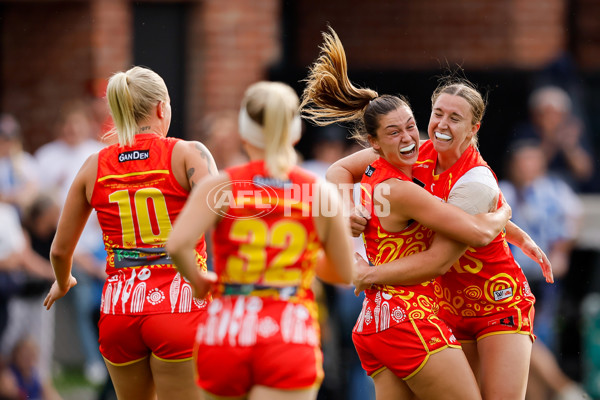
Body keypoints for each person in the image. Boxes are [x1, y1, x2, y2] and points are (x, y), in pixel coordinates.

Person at [300, 27, 526, 400]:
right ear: (373, 144)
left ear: (474, 128)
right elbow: (473, 235)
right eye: (394, 132)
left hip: (375, 321)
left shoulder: (388, 170)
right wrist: (503, 212)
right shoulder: (402, 189)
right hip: (410, 317)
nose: (410, 138)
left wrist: (346, 211)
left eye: (410, 126)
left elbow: (336, 173)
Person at [328, 71, 552, 398]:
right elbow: (339, 170)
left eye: (455, 118)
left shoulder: (472, 179)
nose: (442, 124)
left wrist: (504, 217)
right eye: (438, 113)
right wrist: (346, 206)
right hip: (440, 305)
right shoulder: (412, 152)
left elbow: (445, 254)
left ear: (474, 128)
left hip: (495, 301)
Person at [166, 80, 355, 400]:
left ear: (244, 131)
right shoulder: (318, 190)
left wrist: (198, 281)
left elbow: (176, 245)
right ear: (295, 132)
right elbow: (345, 271)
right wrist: (303, 261)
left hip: (227, 329)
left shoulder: (220, 185)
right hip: (289, 330)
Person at [43, 66, 217, 400]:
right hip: (179, 303)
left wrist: (63, 281)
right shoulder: (187, 153)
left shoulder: (94, 164)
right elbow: (223, 216)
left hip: (119, 310)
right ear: (161, 108)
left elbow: (59, 252)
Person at [499, 140, 589, 400]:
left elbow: (575, 215)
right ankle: (566, 388)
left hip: (543, 278)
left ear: (541, 164)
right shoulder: (502, 191)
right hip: (509, 278)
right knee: (520, 335)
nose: (526, 166)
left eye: (532, 160)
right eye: (521, 161)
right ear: (512, 165)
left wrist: (562, 251)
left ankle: (558, 391)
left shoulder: (554, 191)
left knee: (537, 337)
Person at [511, 85, 594, 191]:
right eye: (546, 114)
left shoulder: (573, 132)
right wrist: (550, 142)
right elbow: (525, 170)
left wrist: (571, 147)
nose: (552, 119)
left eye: (557, 114)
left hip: (567, 191)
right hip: (531, 190)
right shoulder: (525, 132)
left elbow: (584, 173)